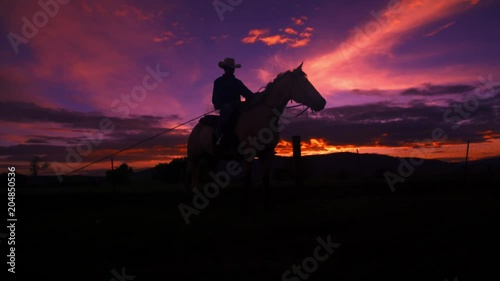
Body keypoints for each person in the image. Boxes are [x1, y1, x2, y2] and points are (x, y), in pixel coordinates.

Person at [212, 57, 253, 145]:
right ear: (225, 69)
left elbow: (247, 93)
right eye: (229, 68)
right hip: (226, 109)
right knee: (226, 115)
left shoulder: (237, 82)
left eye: (232, 68)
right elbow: (215, 99)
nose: (231, 70)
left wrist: (256, 97)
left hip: (238, 107)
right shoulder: (219, 82)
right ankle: (220, 137)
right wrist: (222, 105)